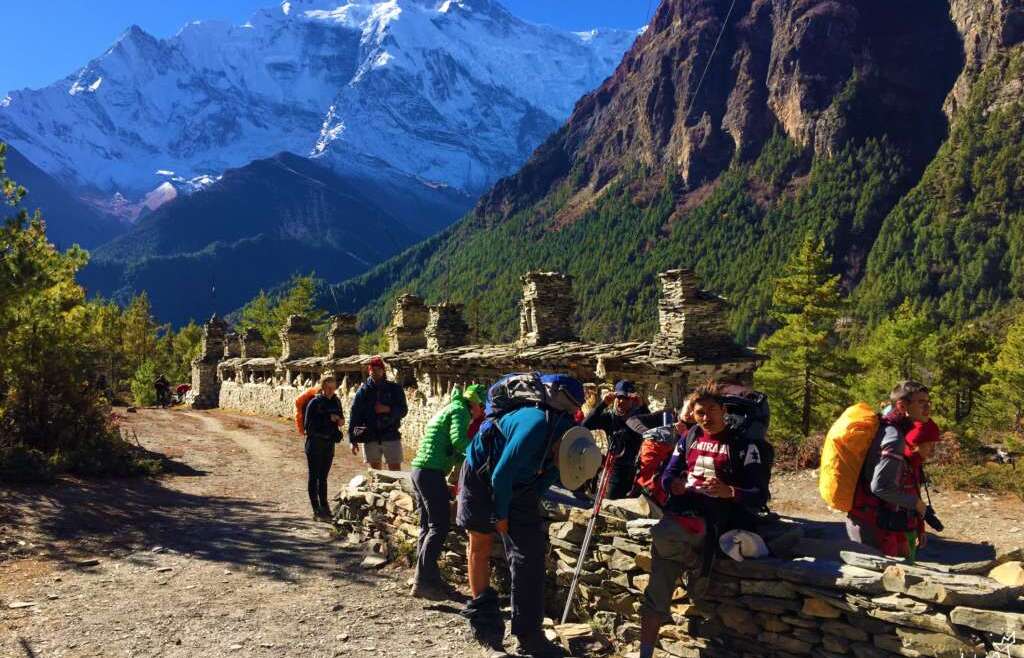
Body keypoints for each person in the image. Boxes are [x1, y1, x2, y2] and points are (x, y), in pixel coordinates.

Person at [457, 375, 602, 657]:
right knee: (481, 543)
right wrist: (500, 515)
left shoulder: (568, 444)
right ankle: (485, 622)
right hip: (481, 474)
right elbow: (501, 475)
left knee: (530, 553)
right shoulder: (535, 425)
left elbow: (544, 480)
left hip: (521, 486)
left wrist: (520, 512)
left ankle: (529, 634)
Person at [638, 382, 770, 658]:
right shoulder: (690, 439)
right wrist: (675, 484)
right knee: (656, 593)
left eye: (712, 410)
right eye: (700, 412)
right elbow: (667, 475)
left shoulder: (744, 445)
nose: (706, 417)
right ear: (693, 415)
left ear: (724, 411)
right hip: (684, 517)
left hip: (715, 524)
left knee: (665, 540)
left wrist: (729, 491)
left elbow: (759, 494)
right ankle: (645, 653)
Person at [409, 384, 487, 600]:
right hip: (430, 471)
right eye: (483, 406)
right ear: (476, 403)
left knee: (427, 527)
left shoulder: (452, 408)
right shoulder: (461, 411)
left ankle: (428, 578)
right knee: (439, 526)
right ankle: (422, 581)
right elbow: (459, 442)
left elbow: (454, 451)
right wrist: (482, 454)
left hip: (421, 470)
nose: (484, 411)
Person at [847, 381, 940, 557]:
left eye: (928, 401)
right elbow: (880, 487)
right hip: (873, 524)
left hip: (869, 518)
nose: (927, 406)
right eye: (920, 402)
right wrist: (917, 504)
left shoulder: (888, 428)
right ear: (902, 405)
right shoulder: (894, 437)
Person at [583, 379, 662, 499]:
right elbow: (585, 425)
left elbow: (653, 429)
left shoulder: (639, 417)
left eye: (625, 398)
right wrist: (603, 404)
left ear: (632, 401)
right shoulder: (610, 417)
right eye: (618, 397)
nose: (621, 402)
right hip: (615, 469)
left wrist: (643, 406)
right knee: (611, 502)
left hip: (637, 470)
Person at [348, 356, 408, 470]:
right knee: (376, 475)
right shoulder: (363, 392)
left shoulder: (394, 389)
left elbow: (403, 410)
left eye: (378, 369)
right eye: (372, 369)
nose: (375, 371)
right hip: (370, 437)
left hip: (391, 435)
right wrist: (353, 439)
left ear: (383, 370)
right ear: (368, 371)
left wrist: (388, 409)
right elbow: (355, 416)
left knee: (396, 473)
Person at [303, 374, 344, 521]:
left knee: (324, 478)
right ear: (322, 387)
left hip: (329, 444)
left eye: (333, 388)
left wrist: (339, 421)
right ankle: (316, 509)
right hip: (315, 443)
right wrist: (328, 418)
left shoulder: (336, 401)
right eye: (328, 388)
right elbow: (307, 426)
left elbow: (342, 420)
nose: (331, 391)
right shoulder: (314, 403)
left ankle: (325, 507)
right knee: (314, 477)